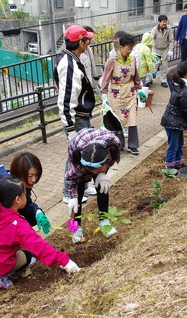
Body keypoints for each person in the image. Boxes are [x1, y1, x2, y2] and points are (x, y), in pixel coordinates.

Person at [0, 176, 80, 289]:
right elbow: (40, 247)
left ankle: (0, 273)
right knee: (31, 257)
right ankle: (2, 277)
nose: (26, 197)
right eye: (25, 194)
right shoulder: (18, 224)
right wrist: (65, 261)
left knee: (22, 248)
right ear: (17, 199)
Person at [53, 25, 97, 204]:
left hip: (80, 116)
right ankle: (69, 192)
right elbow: (65, 101)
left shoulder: (68, 58)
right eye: (87, 39)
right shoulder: (69, 65)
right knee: (75, 156)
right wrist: (70, 130)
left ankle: (84, 186)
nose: (88, 42)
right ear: (80, 42)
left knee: (81, 155)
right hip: (76, 119)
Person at [0, 152, 51, 243]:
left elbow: (27, 204)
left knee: (29, 218)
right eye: (30, 176)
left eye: (36, 175)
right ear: (20, 174)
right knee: (16, 229)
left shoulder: (18, 184)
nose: (34, 180)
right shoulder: (4, 194)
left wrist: (37, 212)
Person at [64, 128, 121, 243]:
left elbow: (112, 159)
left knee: (102, 188)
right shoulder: (78, 166)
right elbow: (69, 178)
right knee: (77, 197)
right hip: (77, 145)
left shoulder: (113, 145)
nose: (93, 173)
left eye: (96, 170)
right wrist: (72, 197)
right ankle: (74, 228)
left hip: (96, 146)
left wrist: (103, 173)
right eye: (91, 171)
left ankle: (104, 222)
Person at [101, 33, 142, 156]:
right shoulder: (112, 61)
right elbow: (105, 78)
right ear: (121, 47)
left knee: (132, 118)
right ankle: (119, 144)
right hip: (116, 93)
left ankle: (133, 145)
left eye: (131, 48)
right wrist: (104, 95)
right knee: (118, 120)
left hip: (130, 92)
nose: (129, 51)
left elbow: (136, 77)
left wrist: (139, 89)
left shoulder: (133, 59)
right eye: (127, 48)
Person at [151, 14, 174, 88]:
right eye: (163, 22)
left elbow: (171, 40)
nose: (164, 23)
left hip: (165, 49)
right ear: (159, 22)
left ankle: (163, 80)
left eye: (165, 21)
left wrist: (170, 50)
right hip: (156, 49)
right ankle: (150, 79)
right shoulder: (155, 29)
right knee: (154, 65)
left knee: (164, 66)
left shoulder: (169, 29)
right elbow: (151, 39)